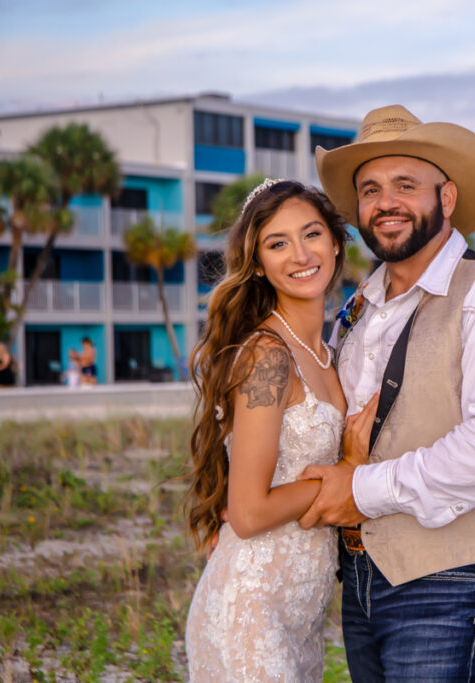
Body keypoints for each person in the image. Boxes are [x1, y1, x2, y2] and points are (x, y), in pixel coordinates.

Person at [299, 105, 475, 681]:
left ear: (446, 198)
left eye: (405, 185)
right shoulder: (357, 312)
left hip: (459, 580)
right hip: (363, 582)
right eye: (370, 189)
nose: (385, 201)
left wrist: (362, 490)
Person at [184, 179, 377, 681]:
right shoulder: (268, 356)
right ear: (259, 263)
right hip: (250, 611)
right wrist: (345, 474)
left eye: (311, 234)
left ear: (336, 242)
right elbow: (247, 513)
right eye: (277, 243)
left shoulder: (331, 356)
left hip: (301, 616)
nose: (300, 254)